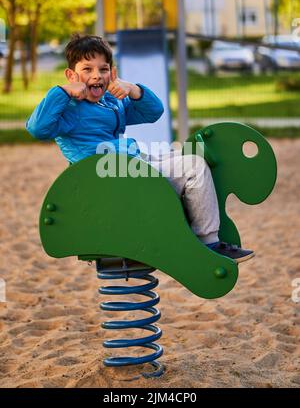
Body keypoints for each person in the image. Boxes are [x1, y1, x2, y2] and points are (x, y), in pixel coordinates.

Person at [26, 34, 254, 264]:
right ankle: (209, 243)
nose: (96, 75)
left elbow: (153, 112)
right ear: (71, 75)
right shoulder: (69, 109)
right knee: (194, 166)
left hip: (127, 165)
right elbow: (37, 128)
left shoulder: (111, 102)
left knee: (186, 157)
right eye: (87, 69)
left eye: (103, 69)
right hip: (108, 176)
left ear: (111, 72)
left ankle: (186, 223)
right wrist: (63, 92)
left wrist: (132, 89)